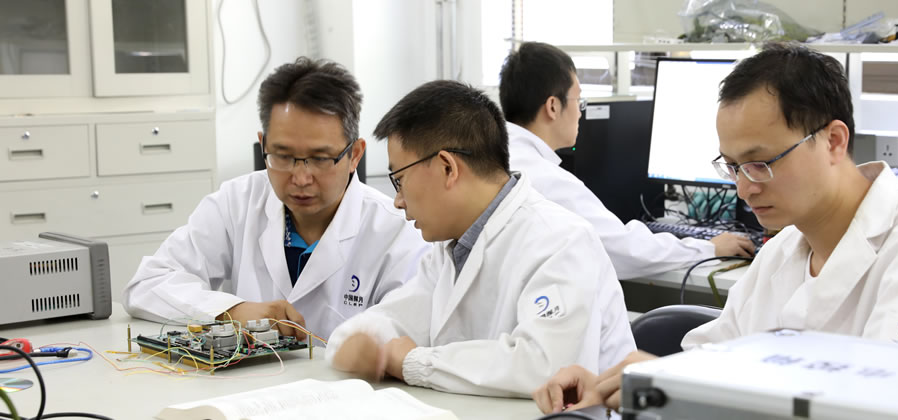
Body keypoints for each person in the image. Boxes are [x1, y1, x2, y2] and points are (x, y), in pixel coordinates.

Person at [533, 42, 898, 414]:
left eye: (760, 163)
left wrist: (685, 392)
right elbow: (708, 366)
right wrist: (629, 381)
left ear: (833, 141)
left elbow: (886, 407)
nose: (744, 188)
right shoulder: (783, 251)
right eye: (733, 166)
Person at [326, 80, 635, 397]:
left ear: (448, 168)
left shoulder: (561, 241)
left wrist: (413, 362)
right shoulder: (450, 249)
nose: (398, 201)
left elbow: (544, 367)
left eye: (400, 180)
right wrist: (360, 343)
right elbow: (393, 318)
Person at [123, 57, 429, 341]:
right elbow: (146, 285)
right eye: (282, 156)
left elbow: (410, 334)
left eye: (320, 158)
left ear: (355, 155)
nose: (300, 178)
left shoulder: (397, 233)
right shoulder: (237, 202)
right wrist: (232, 311)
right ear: (263, 145)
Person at [498, 42, 754, 280]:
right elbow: (625, 251)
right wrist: (708, 248)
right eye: (579, 100)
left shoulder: (500, 158)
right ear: (553, 106)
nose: (580, 112)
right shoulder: (547, 180)